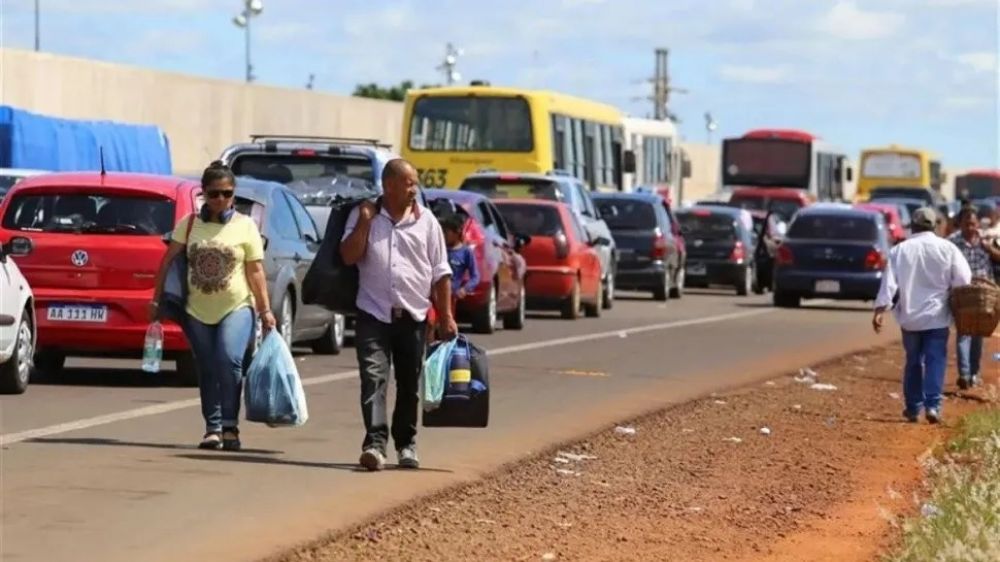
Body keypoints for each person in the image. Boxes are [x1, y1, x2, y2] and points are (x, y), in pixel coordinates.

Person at [150, 161, 276, 451]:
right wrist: (156, 300)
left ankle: (230, 425)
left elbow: (255, 270)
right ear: (204, 193)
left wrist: (264, 309)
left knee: (229, 360)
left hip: (236, 306)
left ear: (234, 194)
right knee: (206, 367)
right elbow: (168, 261)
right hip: (196, 310)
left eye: (227, 193)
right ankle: (213, 428)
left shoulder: (245, 226)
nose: (221, 199)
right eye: (214, 193)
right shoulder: (190, 224)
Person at [341, 158, 455, 471]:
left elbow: (440, 272)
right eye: (409, 183)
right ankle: (375, 445)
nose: (414, 190)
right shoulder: (364, 215)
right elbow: (349, 256)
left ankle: (406, 443)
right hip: (373, 314)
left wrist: (445, 316)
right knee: (373, 380)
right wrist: (365, 221)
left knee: (409, 385)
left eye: (416, 183)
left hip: (414, 316)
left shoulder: (427, 221)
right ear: (389, 185)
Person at [873, 207, 972, 424]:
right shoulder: (948, 248)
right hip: (937, 316)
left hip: (910, 318)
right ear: (934, 225)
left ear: (913, 226)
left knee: (913, 361)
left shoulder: (900, 250)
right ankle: (933, 406)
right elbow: (964, 279)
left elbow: (889, 283)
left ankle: (912, 408)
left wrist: (880, 310)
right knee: (936, 360)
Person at [947, 206, 994, 389]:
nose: (970, 227)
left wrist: (988, 248)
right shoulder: (952, 243)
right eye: (967, 224)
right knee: (964, 333)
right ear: (960, 224)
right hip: (963, 294)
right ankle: (964, 375)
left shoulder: (985, 239)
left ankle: (974, 373)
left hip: (983, 295)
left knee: (978, 335)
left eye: (973, 223)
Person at [442, 213, 481, 316]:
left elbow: (475, 276)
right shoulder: (439, 249)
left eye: (446, 232)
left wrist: (464, 289)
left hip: (450, 298)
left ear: (457, 232)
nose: (444, 235)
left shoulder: (465, 252)